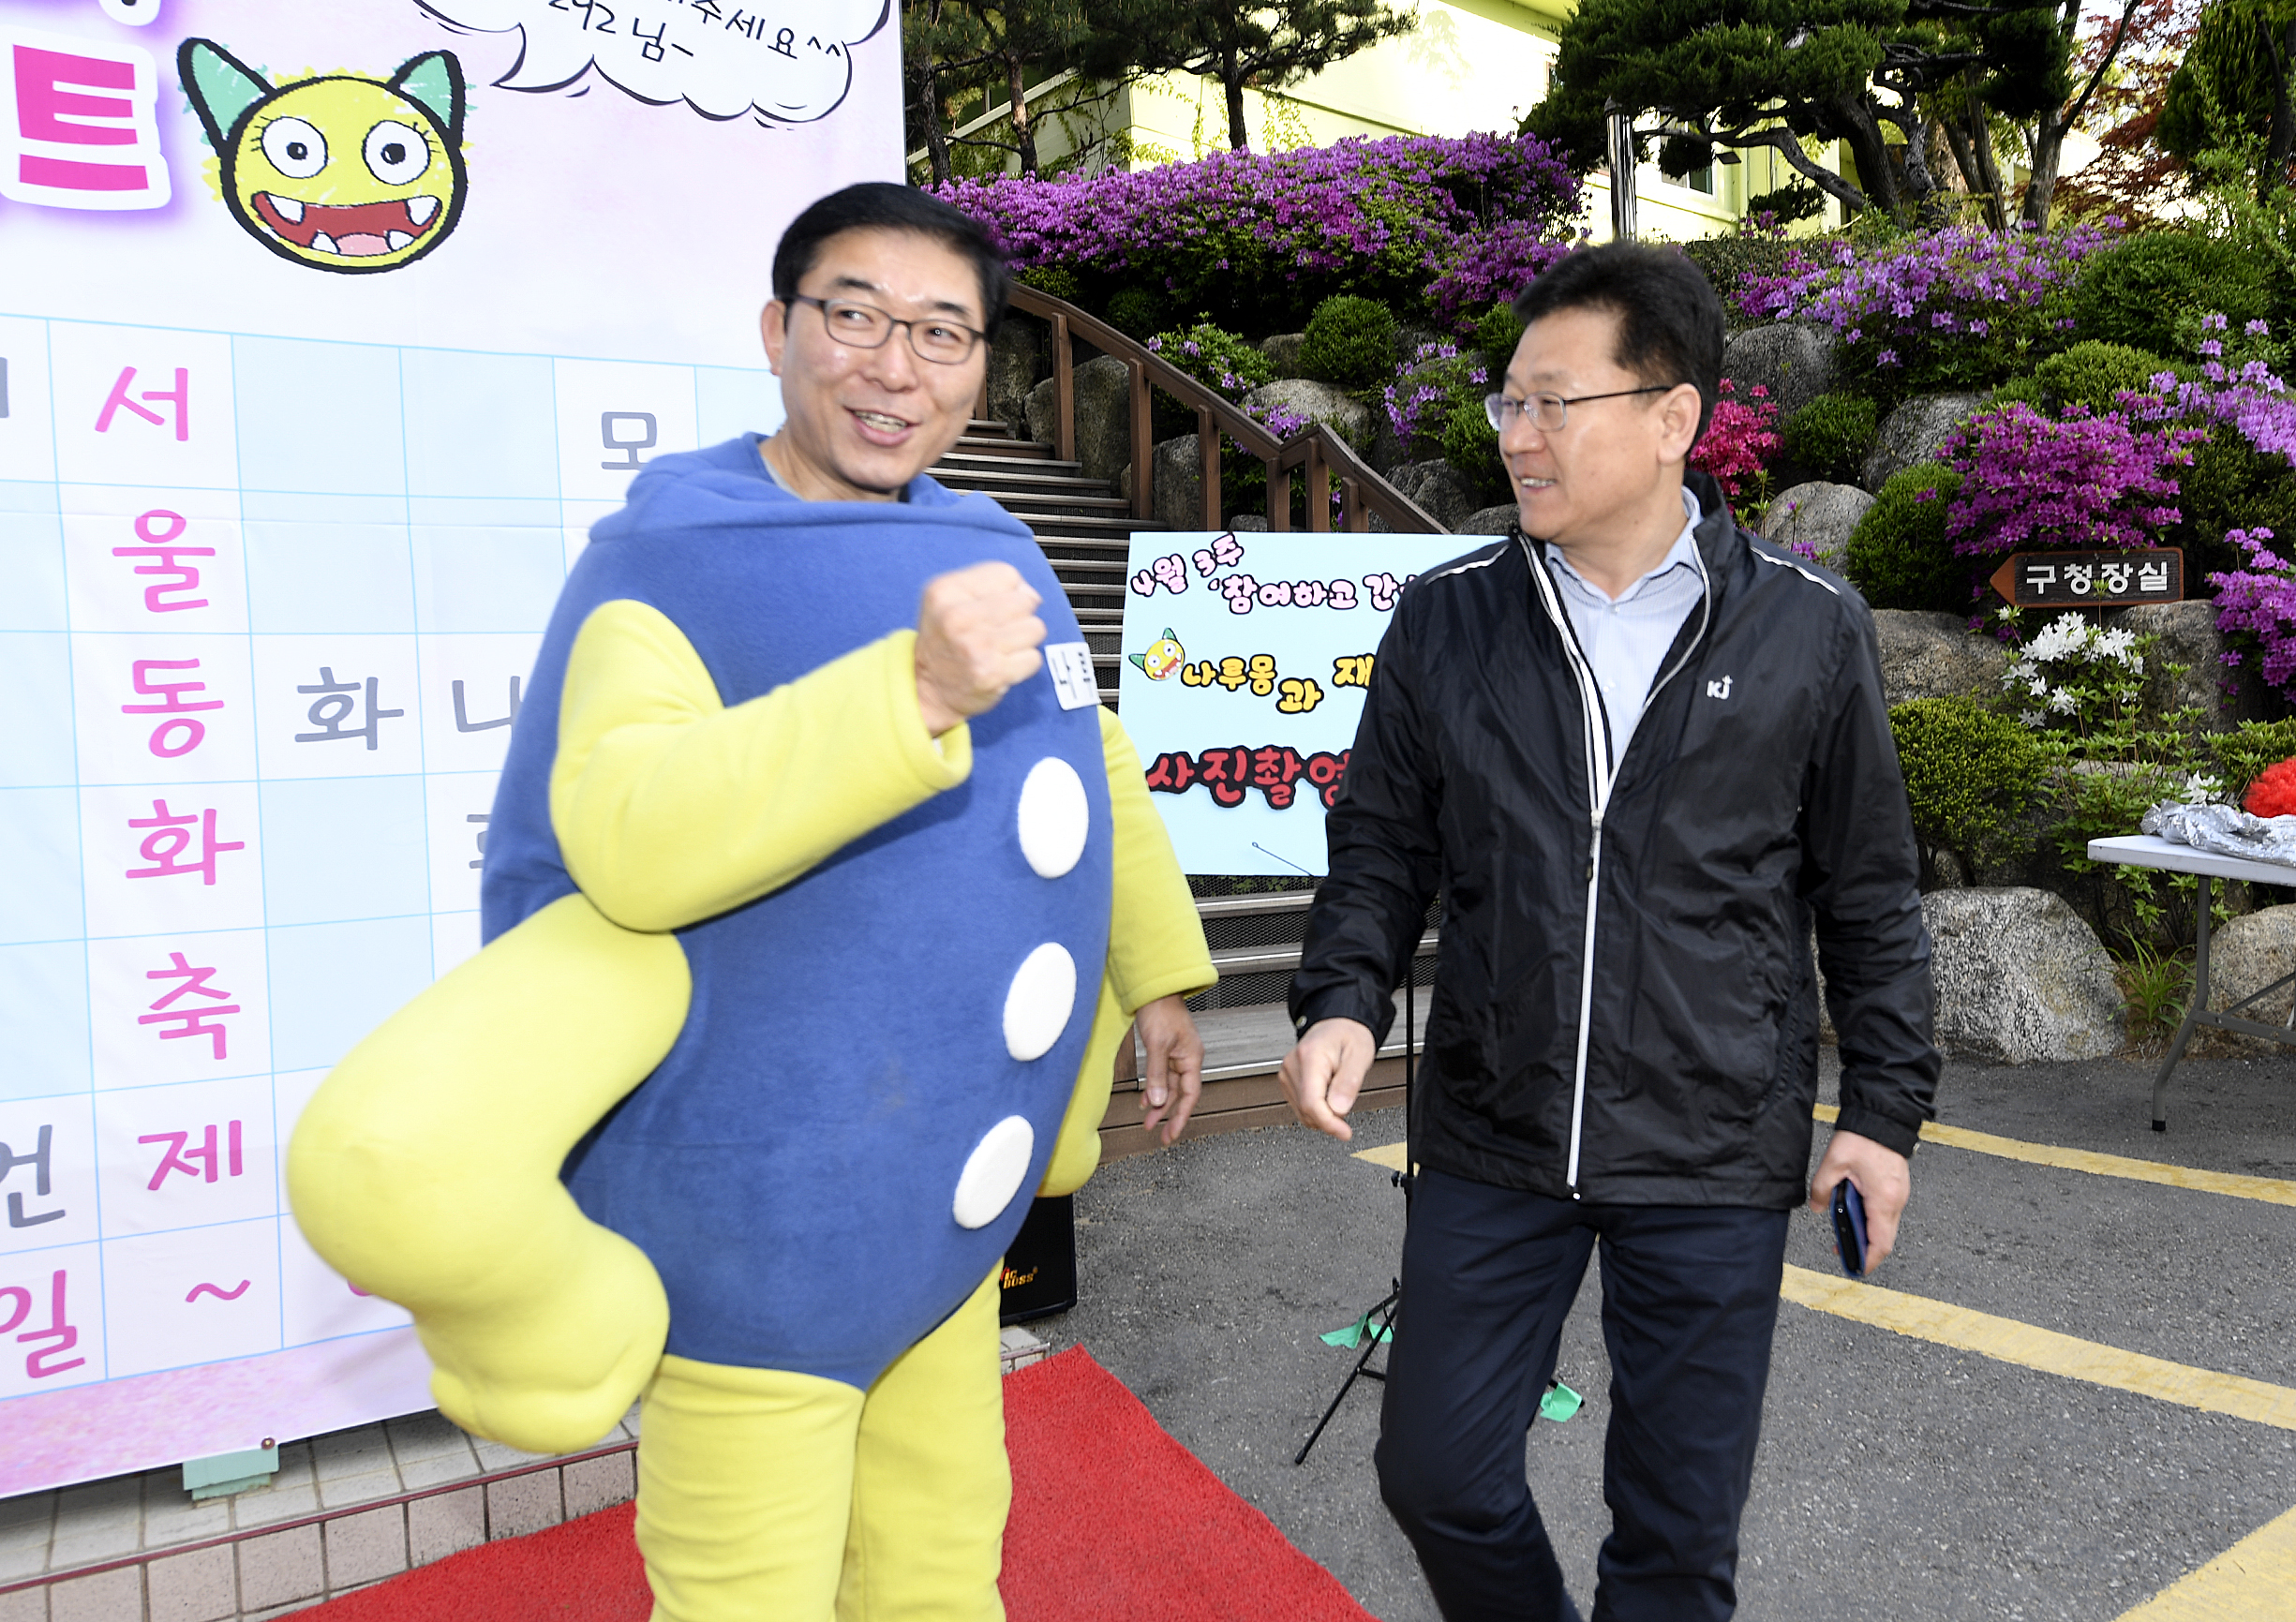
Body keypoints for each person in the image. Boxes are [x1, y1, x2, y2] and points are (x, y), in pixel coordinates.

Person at [289, 183, 1216, 1622]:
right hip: (760, 1215)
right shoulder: (673, 559)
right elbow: (628, 836)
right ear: (779, 330)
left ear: (983, 367)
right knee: (747, 1591)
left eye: (940, 333)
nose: (892, 366)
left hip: (942, 1194)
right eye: (854, 316)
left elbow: (1089, 756)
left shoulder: (993, 543)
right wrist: (907, 692)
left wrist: (1156, 972)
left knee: (939, 1548)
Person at [1277, 241, 1938, 1622]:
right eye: (1505, 402)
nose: (1516, 436)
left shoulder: (1811, 629)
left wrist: (1881, 1108)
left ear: (1671, 418)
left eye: (1551, 403)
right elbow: (1383, 843)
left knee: (1677, 1536)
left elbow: (1867, 892)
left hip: (1708, 1138)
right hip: (1493, 1126)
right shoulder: (1446, 616)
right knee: (1436, 1472)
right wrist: (1339, 995)